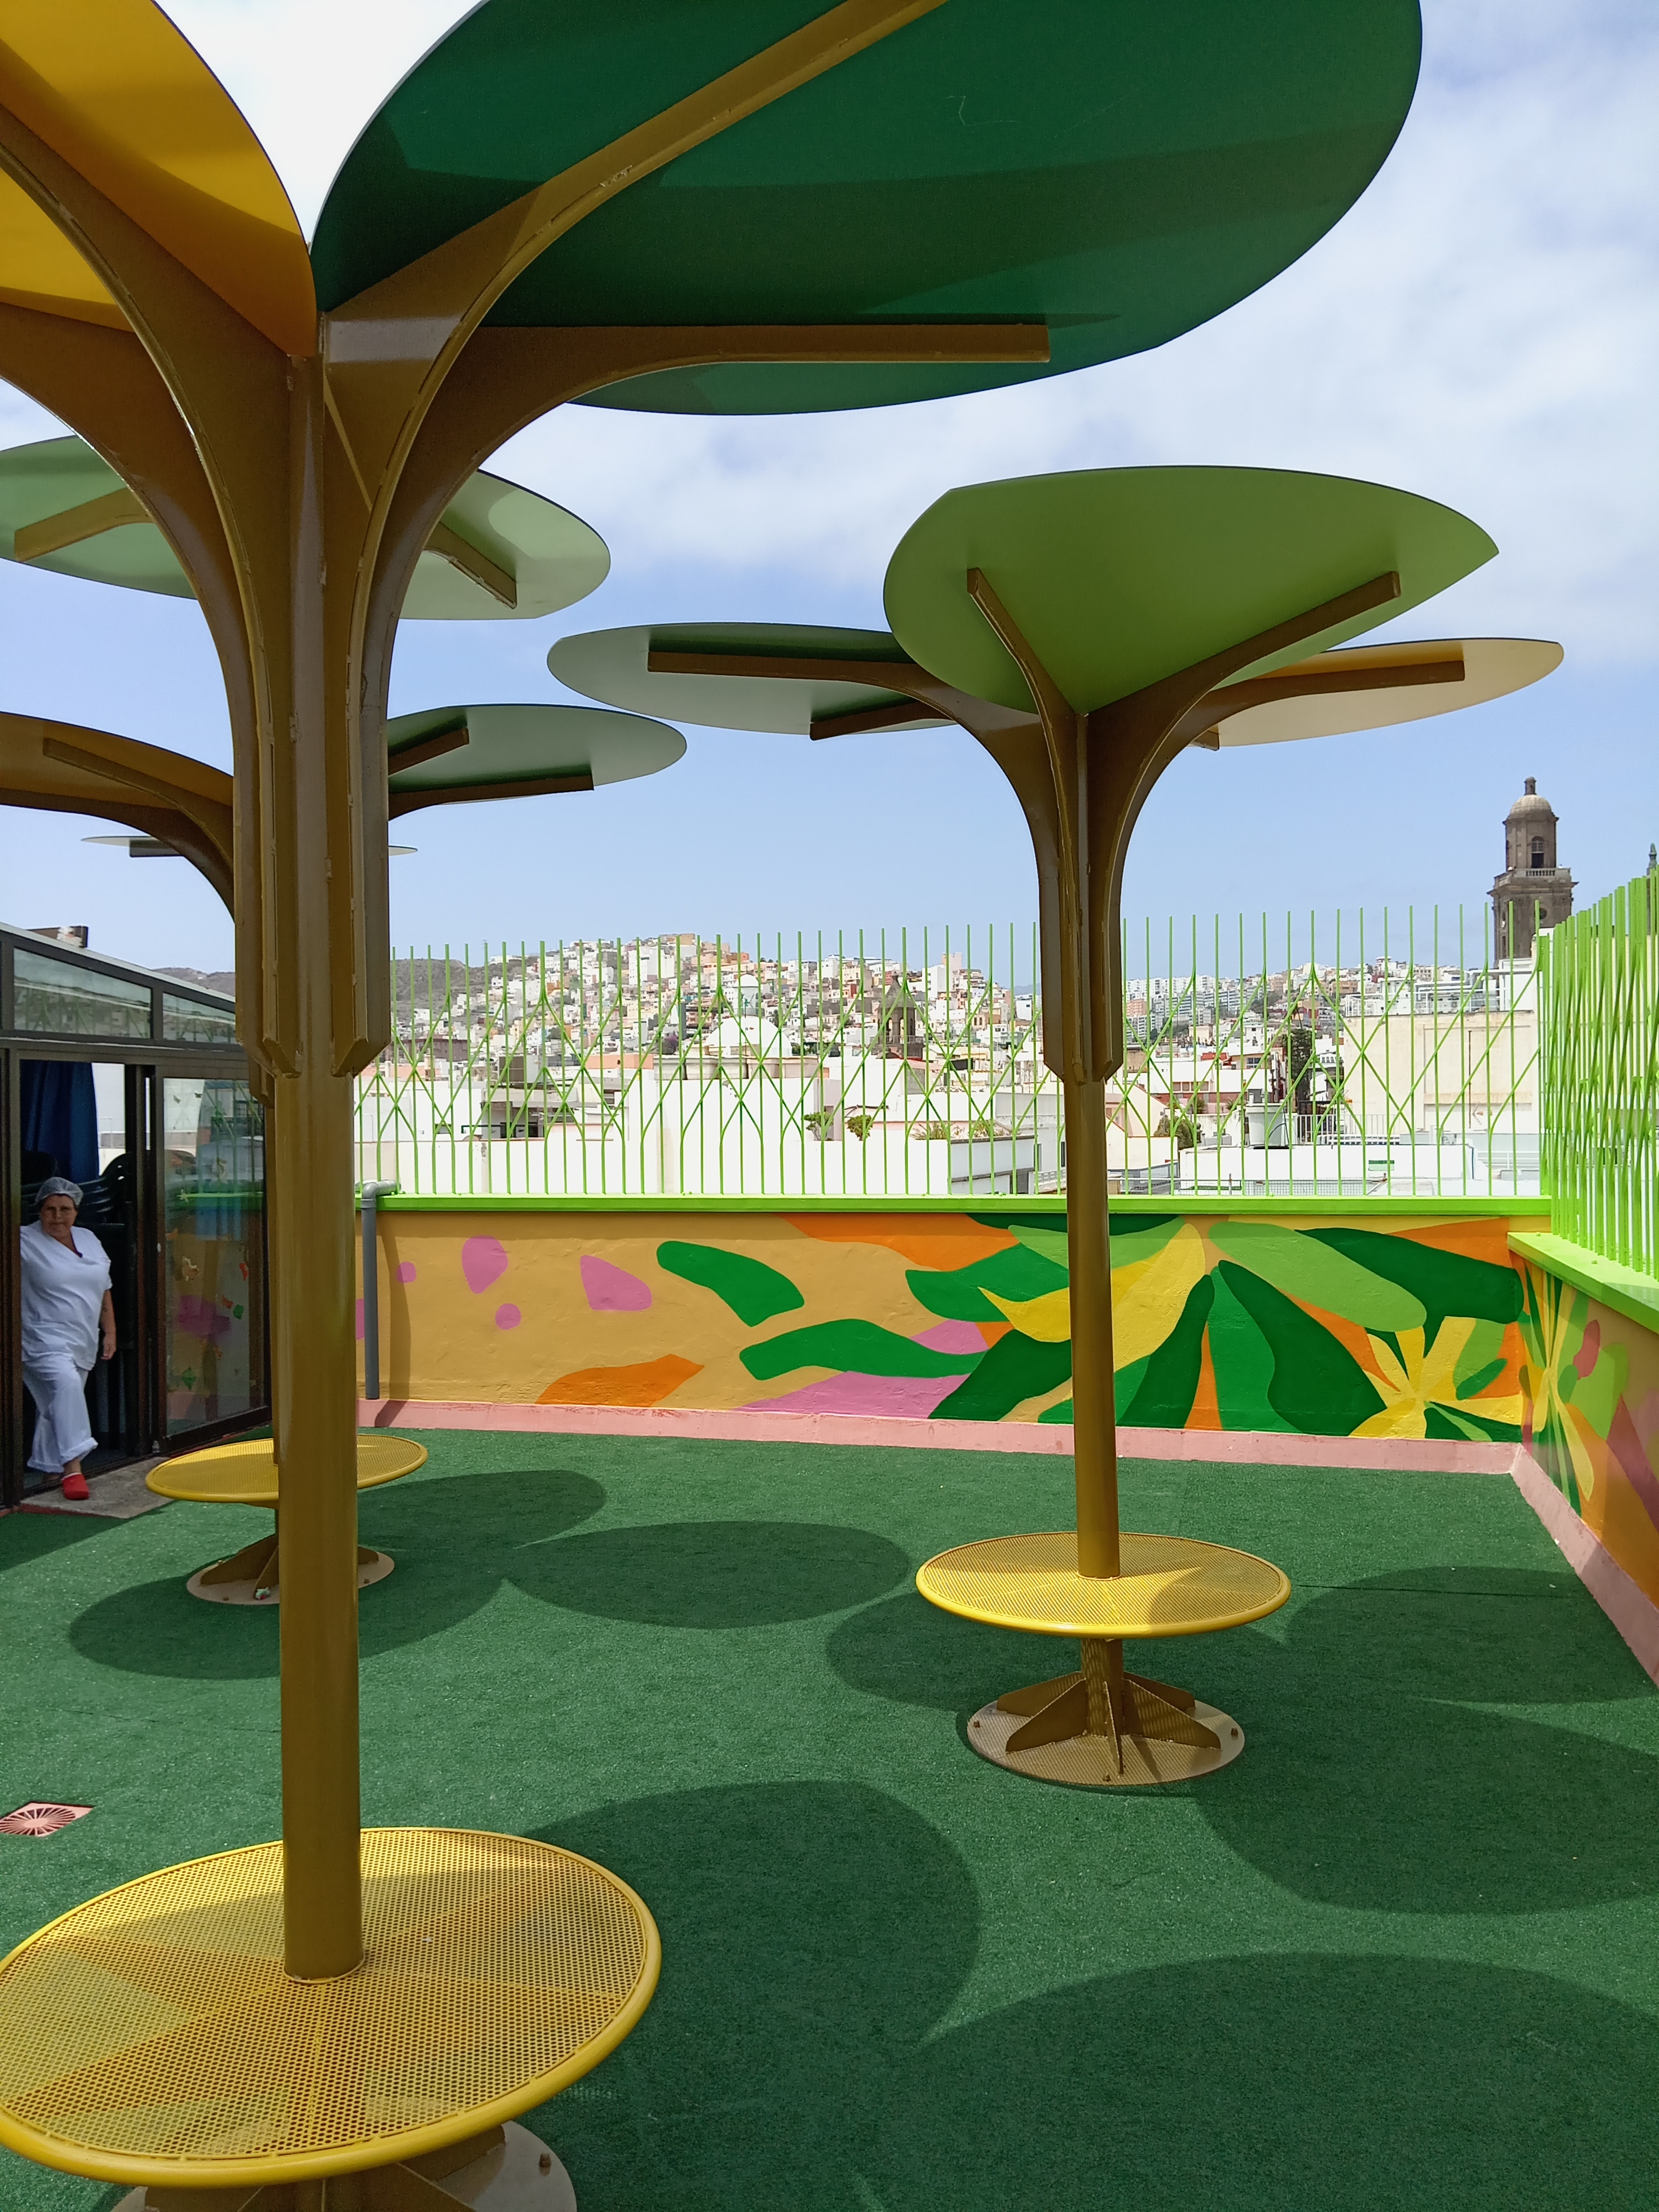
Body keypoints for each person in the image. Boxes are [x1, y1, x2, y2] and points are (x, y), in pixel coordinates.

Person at [19, 1176, 114, 1501]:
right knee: (66, 1387)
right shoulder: (22, 1240)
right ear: (39, 1210)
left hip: (83, 1337)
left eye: (65, 1209)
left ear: (76, 1212)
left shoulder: (89, 1239)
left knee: (56, 1405)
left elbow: (104, 1288)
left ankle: (50, 1471)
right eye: (50, 1209)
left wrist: (110, 1331)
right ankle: (73, 1468)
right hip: (40, 1337)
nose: (57, 1216)